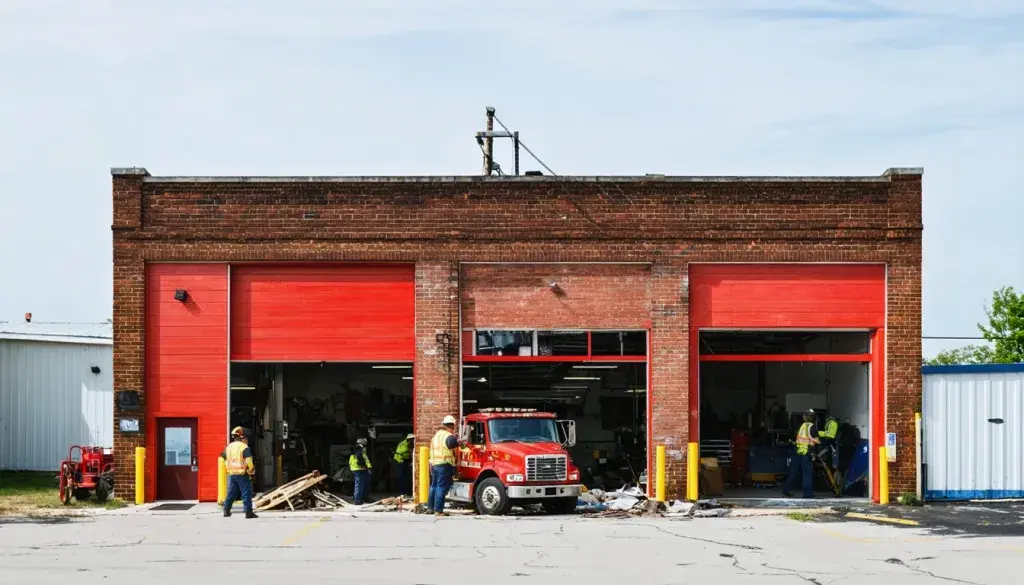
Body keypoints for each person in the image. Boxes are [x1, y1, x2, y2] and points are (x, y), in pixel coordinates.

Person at [427, 414, 461, 517]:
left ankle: (430, 508)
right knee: (441, 487)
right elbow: (457, 448)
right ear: (452, 426)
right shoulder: (449, 437)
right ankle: (438, 510)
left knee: (434, 486)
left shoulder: (435, 437)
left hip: (434, 464)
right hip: (444, 465)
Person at [222, 426, 258, 519]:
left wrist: (228, 467)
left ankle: (226, 510)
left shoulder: (229, 447)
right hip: (242, 473)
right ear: (242, 437)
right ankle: (248, 512)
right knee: (246, 493)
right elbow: (248, 459)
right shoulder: (243, 447)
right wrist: (251, 469)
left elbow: (224, 457)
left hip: (232, 474)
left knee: (231, 493)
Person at [783, 410, 819, 499]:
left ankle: (786, 489)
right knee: (807, 473)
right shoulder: (812, 427)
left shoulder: (802, 426)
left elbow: (796, 438)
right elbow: (816, 441)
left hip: (797, 450)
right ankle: (808, 493)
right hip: (806, 452)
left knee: (793, 472)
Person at [350, 438, 372, 505]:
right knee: (359, 485)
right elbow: (359, 457)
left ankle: (362, 498)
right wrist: (363, 465)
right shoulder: (359, 448)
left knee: (364, 483)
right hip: (359, 469)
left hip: (360, 469)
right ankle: (357, 500)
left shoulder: (357, 448)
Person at [393, 433, 415, 497]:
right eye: (412, 439)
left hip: (404, 460)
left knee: (405, 477)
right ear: (409, 439)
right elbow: (410, 453)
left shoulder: (406, 443)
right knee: (403, 477)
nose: (413, 440)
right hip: (400, 461)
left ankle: (405, 492)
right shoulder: (406, 444)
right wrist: (411, 461)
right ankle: (403, 493)